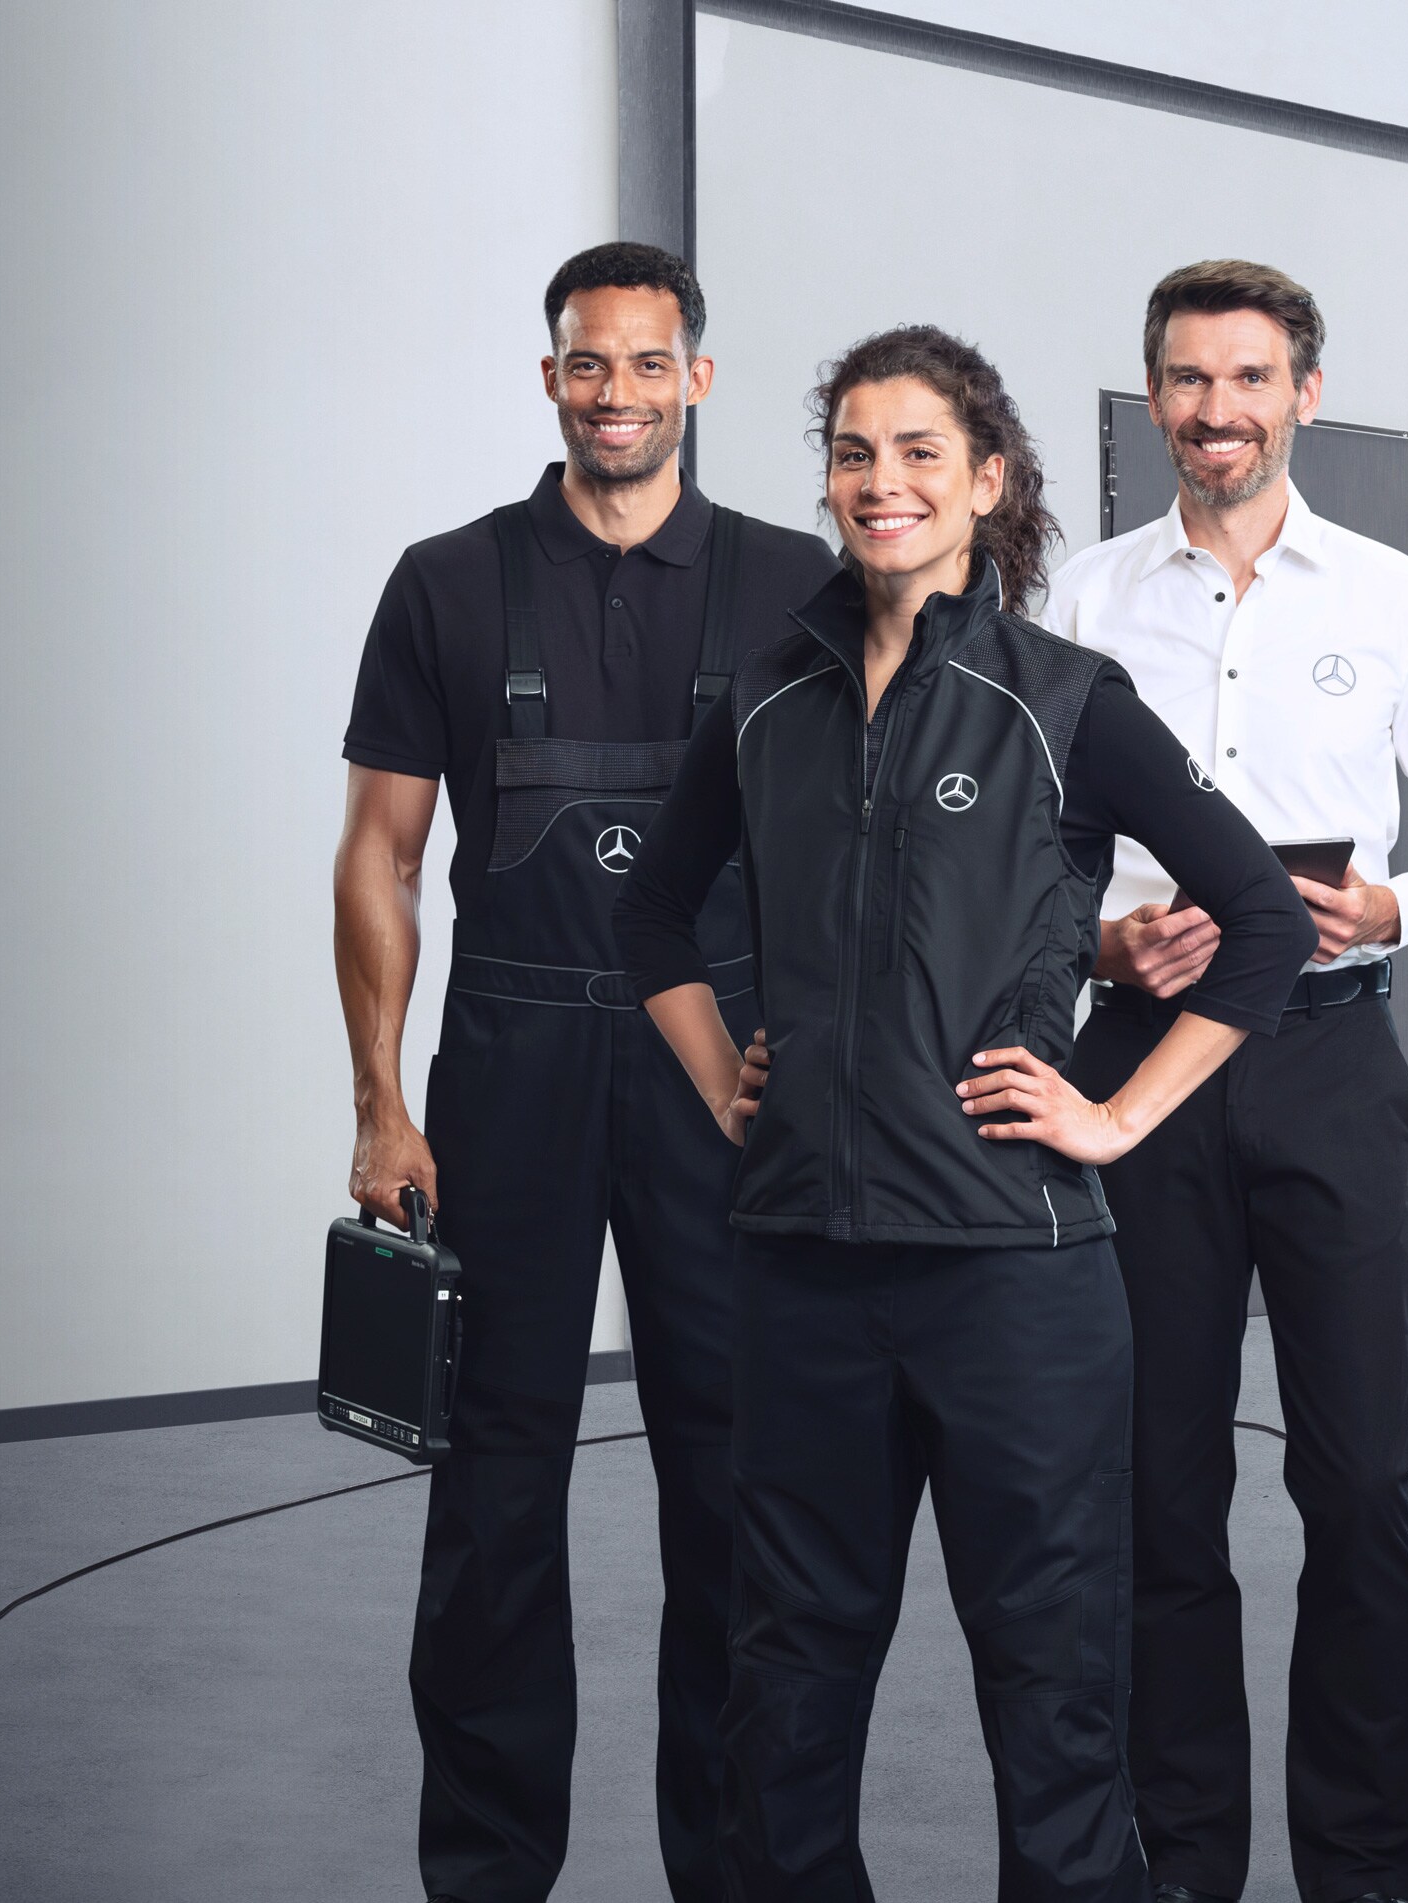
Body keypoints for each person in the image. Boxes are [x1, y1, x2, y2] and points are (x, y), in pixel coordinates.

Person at [614, 325, 1317, 1901]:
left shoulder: (1062, 701)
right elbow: (653, 923)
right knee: (782, 1696)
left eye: (920, 452)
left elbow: (1260, 923)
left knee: (1054, 1697)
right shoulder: (766, 697)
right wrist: (724, 1070)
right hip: (798, 1268)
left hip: (1013, 1276)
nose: (882, 483)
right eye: (855, 453)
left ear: (986, 480)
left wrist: (1118, 1117)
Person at [331, 241, 841, 1903]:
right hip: (514, 1070)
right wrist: (381, 1104)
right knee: (489, 1490)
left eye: (647, 362)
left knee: (739, 1481)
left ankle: (742, 1869)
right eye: (586, 362)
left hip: (726, 1073)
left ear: (698, 377)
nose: (615, 390)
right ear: (550, 377)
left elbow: (868, 849)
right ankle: (484, 1871)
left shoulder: (795, 587)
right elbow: (379, 859)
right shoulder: (447, 583)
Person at [1044, 260, 1408, 1903]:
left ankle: (1364, 1875)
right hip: (1139, 1073)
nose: (1216, 411)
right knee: (1158, 1483)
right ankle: (1186, 1865)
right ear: (1153, 396)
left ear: (1305, 392)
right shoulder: (1085, 605)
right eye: (1185, 380)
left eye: (1247, 379)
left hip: (1327, 1057)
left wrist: (1393, 903)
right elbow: (1031, 867)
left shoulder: (1392, 598)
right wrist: (1105, 954)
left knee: (1359, 1493)